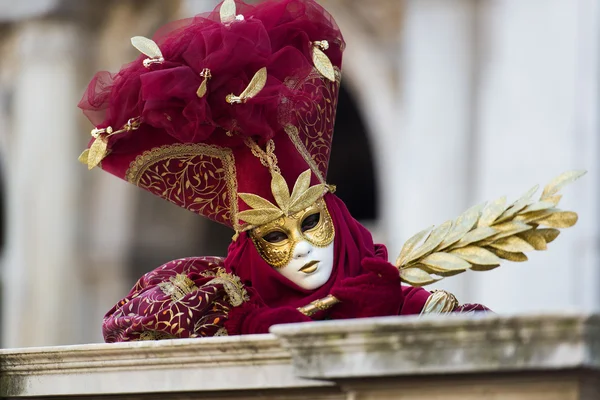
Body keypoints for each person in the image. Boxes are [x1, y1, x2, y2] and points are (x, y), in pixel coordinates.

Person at [78, 0, 491, 342]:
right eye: (275, 235)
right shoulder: (223, 308)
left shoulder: (398, 302)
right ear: (250, 247)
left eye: (312, 222)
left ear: (339, 220)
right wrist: (243, 315)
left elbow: (488, 338)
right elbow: (124, 328)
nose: (304, 249)